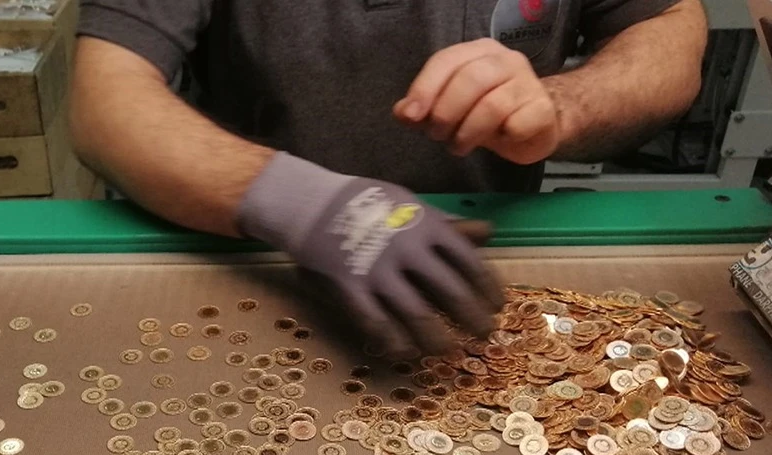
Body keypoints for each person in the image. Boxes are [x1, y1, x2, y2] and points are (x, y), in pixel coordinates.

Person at [69, 1, 708, 355]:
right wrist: (307, 205)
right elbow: (105, 94)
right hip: (256, 261)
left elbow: (667, 25)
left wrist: (562, 106)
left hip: (481, 264)